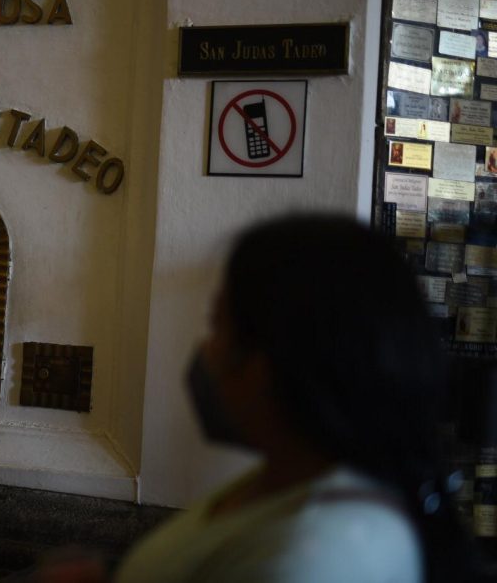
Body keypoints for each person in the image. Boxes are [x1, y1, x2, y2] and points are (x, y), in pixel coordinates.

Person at [113, 214, 477, 582]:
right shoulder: (290, 479)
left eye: (217, 326)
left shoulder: (319, 558)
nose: (204, 351)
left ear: (271, 361)